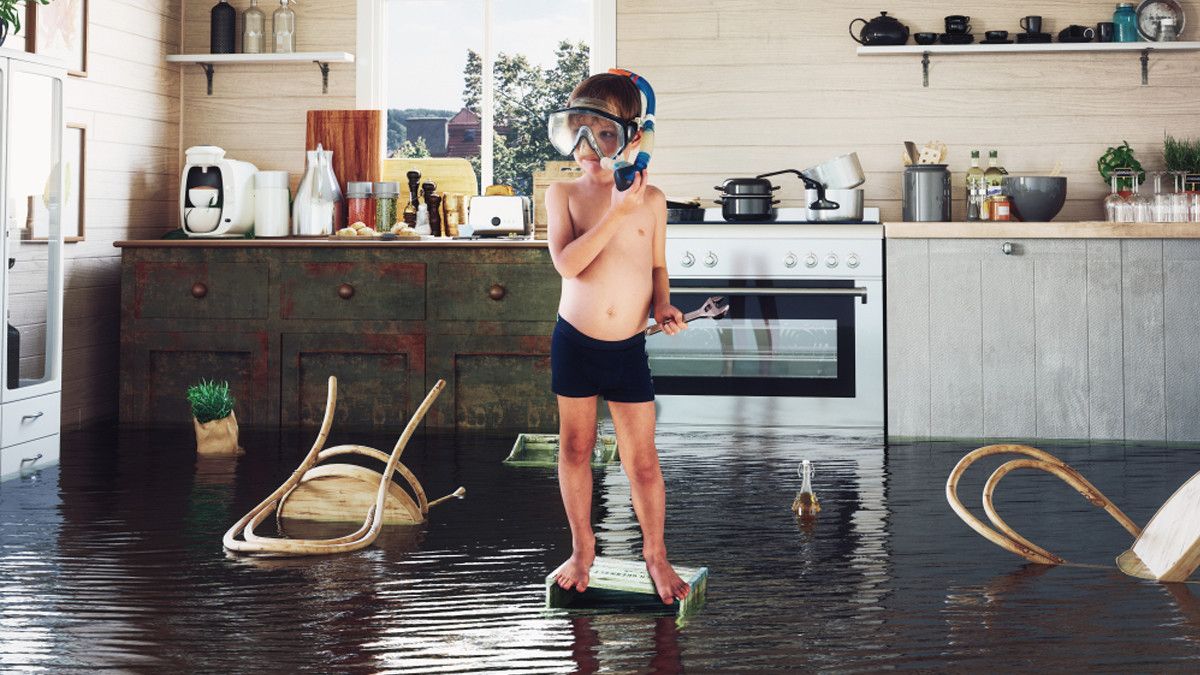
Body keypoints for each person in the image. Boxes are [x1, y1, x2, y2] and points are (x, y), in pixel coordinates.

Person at [543, 72, 691, 605]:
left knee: (642, 461)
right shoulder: (562, 194)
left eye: (601, 134)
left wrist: (663, 305)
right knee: (576, 448)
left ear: (634, 137)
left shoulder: (652, 201)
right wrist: (616, 210)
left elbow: (657, 266)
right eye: (575, 131)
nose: (585, 147)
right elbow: (569, 264)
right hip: (576, 344)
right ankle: (584, 547)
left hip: (627, 348)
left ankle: (655, 553)